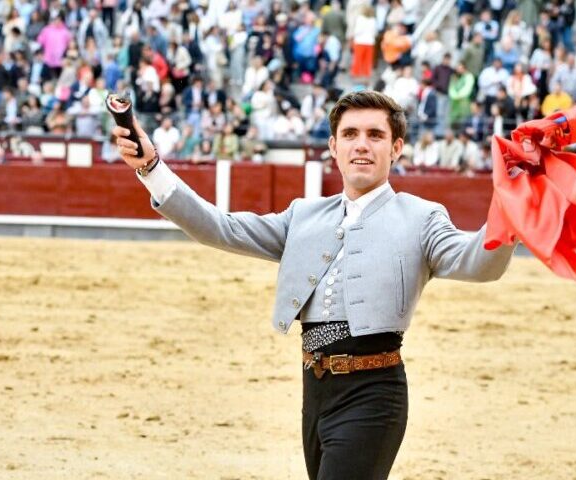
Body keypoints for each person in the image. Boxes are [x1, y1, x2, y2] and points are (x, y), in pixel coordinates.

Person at [112, 91, 516, 480]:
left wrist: (512, 206)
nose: (362, 145)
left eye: (375, 135)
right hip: (315, 392)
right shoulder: (303, 215)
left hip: (374, 393)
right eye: (350, 135)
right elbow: (221, 228)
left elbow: (478, 262)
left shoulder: (423, 217)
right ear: (333, 147)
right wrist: (150, 168)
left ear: (396, 148)